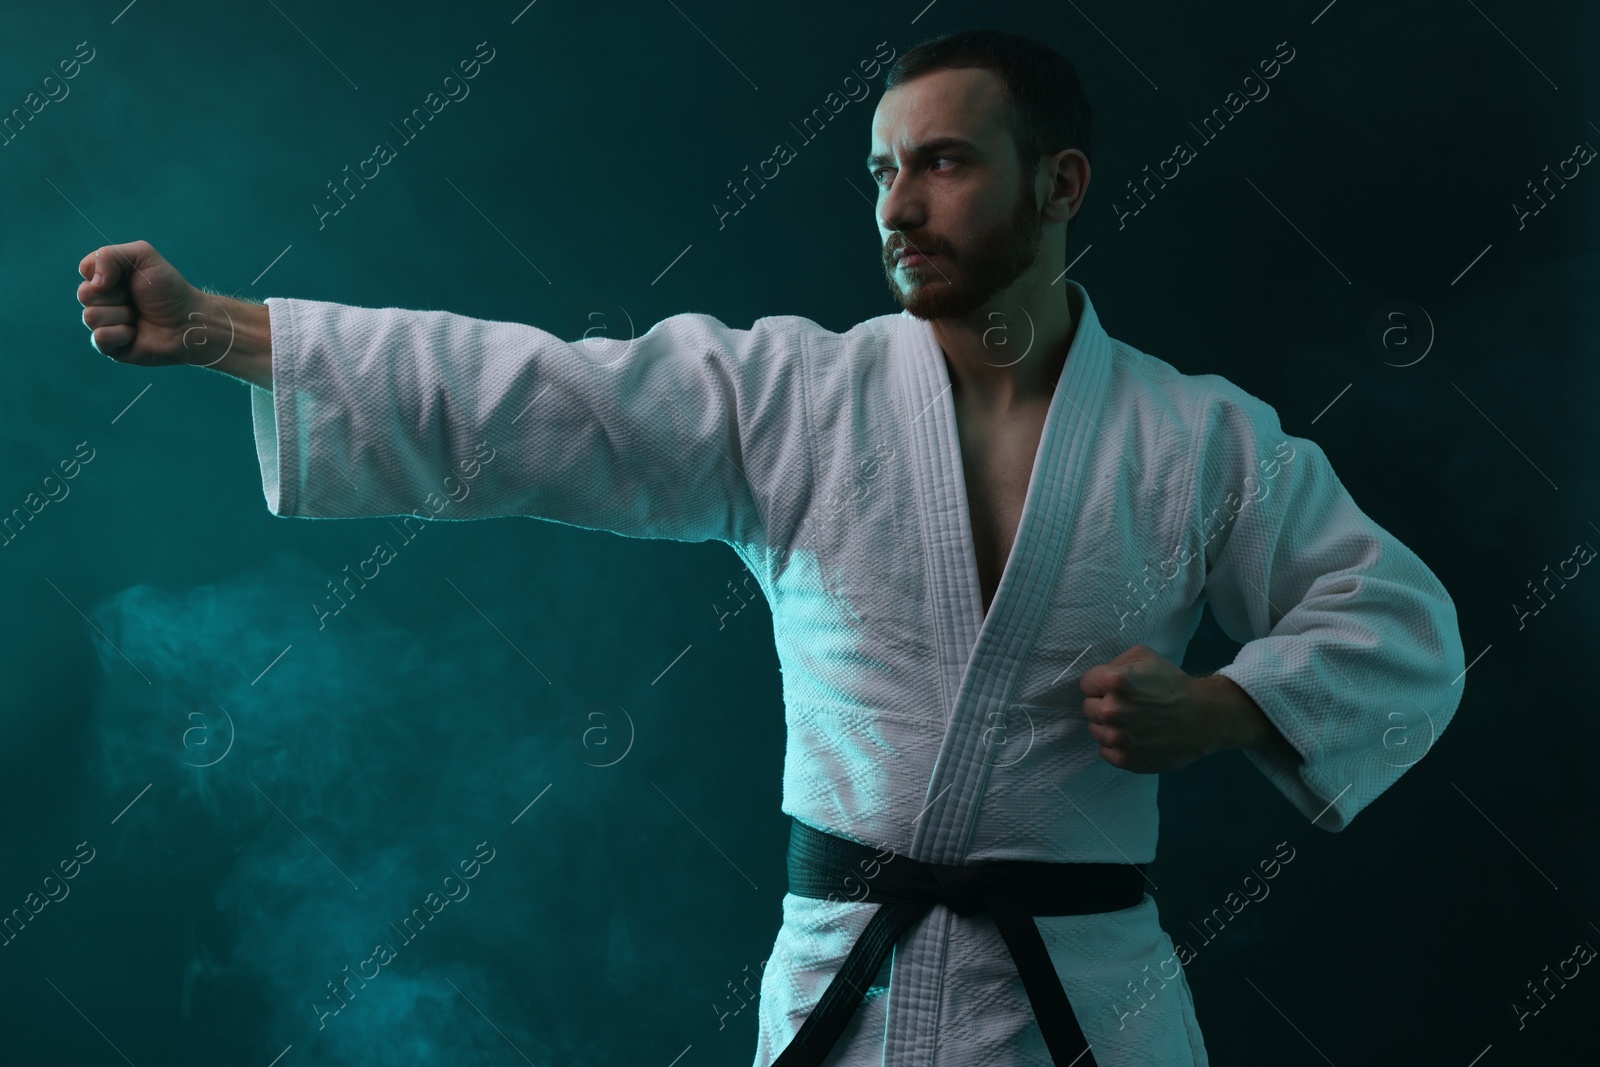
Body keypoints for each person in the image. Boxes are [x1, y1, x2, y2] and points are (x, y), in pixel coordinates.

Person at [76, 27, 1464, 1067]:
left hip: (1089, 1004)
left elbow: (1398, 623)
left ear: (1062, 183)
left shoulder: (1202, 439)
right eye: (880, 171)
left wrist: (1222, 706)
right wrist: (218, 328)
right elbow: (544, 393)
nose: (897, 206)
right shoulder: (796, 395)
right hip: (843, 996)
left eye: (942, 162)